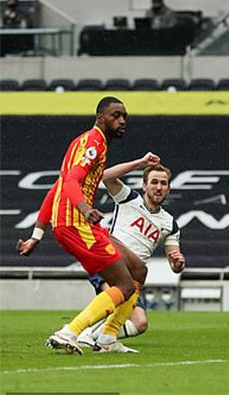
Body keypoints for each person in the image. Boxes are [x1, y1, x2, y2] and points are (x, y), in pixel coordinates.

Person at [16, 96, 148, 355]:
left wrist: (37, 234)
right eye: (116, 115)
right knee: (123, 285)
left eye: (124, 117)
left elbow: (58, 185)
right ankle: (69, 332)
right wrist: (85, 208)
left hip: (76, 223)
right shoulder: (93, 142)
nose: (122, 121)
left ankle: (108, 337)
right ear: (101, 118)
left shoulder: (87, 143)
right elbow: (71, 182)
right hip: (77, 224)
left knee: (138, 270)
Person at [76, 158, 185, 349]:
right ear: (144, 185)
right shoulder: (129, 199)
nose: (158, 187)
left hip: (133, 277)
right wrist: (141, 163)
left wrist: (178, 263)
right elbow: (106, 176)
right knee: (115, 299)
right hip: (109, 262)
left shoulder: (170, 223)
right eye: (154, 182)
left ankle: (96, 337)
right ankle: (77, 332)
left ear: (168, 188)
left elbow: (175, 262)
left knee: (140, 323)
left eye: (163, 183)